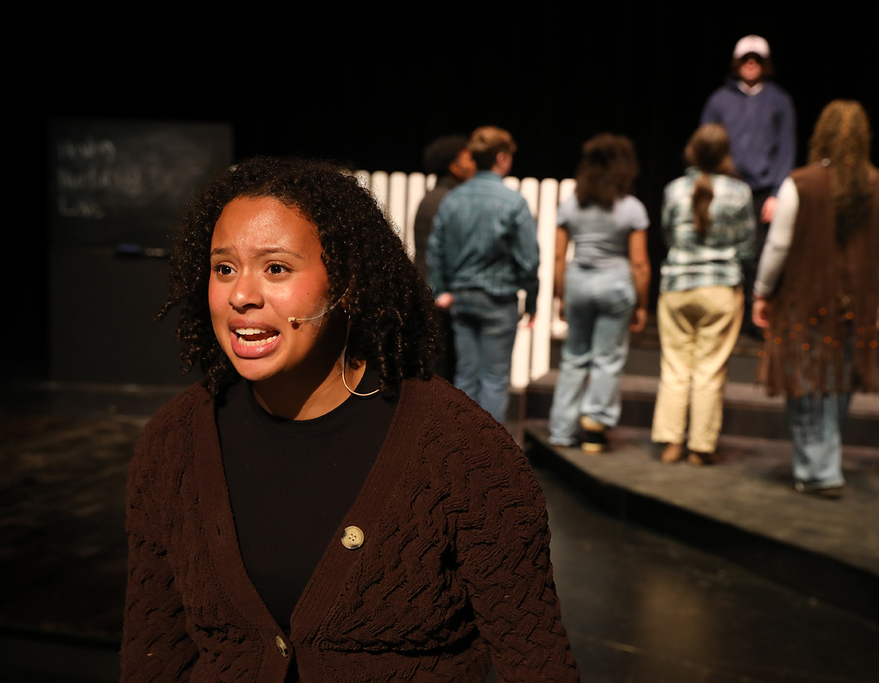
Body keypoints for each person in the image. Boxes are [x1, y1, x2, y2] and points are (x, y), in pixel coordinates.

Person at [120, 157, 578, 682]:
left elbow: (539, 664)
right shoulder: (174, 442)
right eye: (224, 268)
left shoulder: (462, 452)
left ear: (347, 284)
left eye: (276, 268)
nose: (241, 296)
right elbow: (151, 654)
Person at [752, 100, 879, 497]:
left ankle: (819, 470)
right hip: (857, 302)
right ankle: (821, 463)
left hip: (805, 299)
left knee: (808, 383)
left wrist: (762, 291)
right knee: (837, 384)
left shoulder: (800, 183)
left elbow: (778, 246)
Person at [652, 124, 755, 465]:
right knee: (709, 369)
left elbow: (667, 235)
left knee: (676, 367)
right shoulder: (740, 193)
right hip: (720, 289)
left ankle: (670, 443)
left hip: (677, 287)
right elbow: (747, 245)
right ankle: (700, 447)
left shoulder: (673, 189)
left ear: (691, 152)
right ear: (726, 154)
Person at [427, 126, 539, 422]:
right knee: (494, 379)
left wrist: (441, 290)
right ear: (502, 158)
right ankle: (490, 458)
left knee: (466, 376)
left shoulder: (453, 199)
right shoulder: (513, 202)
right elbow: (528, 260)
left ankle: (462, 451)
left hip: (462, 300)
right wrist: (532, 301)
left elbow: (435, 250)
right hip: (498, 301)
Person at [547, 134, 651, 452]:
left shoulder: (570, 205)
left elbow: (558, 257)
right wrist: (643, 304)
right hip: (616, 285)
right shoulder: (631, 208)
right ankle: (594, 428)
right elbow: (640, 263)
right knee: (607, 359)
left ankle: (561, 431)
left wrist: (560, 296)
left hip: (578, 282)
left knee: (574, 357)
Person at [701, 34, 796, 336]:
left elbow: (786, 148)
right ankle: (722, 316)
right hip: (725, 188)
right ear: (737, 62)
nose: (751, 64)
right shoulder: (719, 100)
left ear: (765, 64)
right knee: (723, 251)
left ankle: (752, 321)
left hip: (762, 192)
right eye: (746, 58)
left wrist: (779, 193)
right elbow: (706, 144)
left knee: (756, 254)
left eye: (757, 58)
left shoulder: (779, 101)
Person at [412, 134, 476, 381]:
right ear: (454, 166)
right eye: (468, 159)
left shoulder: (435, 196)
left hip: (432, 290)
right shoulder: (447, 200)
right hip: (439, 294)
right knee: (441, 368)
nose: (474, 165)